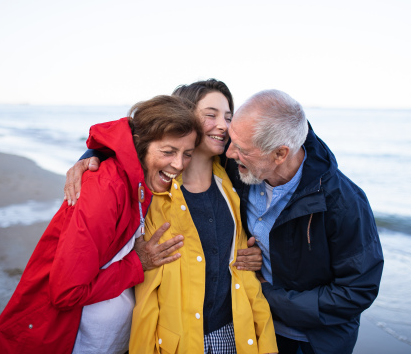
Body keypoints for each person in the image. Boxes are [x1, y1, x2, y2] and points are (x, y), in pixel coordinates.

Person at [67, 87, 384, 354]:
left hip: (312, 341)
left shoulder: (343, 202)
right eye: (229, 136)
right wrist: (94, 155)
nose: (230, 151)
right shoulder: (240, 170)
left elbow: (358, 291)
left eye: (240, 147)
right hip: (256, 324)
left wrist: (268, 294)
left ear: (279, 154)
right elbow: (153, 137)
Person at [0, 95, 202, 354]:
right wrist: (137, 264)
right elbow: (66, 292)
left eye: (187, 154)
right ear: (141, 145)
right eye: (168, 151)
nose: (179, 164)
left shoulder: (139, 183)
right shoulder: (106, 188)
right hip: (61, 339)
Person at [73, 80, 278, 353]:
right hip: (175, 341)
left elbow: (290, 142)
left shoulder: (235, 180)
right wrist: (91, 154)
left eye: (229, 117)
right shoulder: (152, 190)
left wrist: (260, 260)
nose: (223, 125)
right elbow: (131, 139)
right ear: (184, 117)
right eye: (211, 114)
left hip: (235, 334)